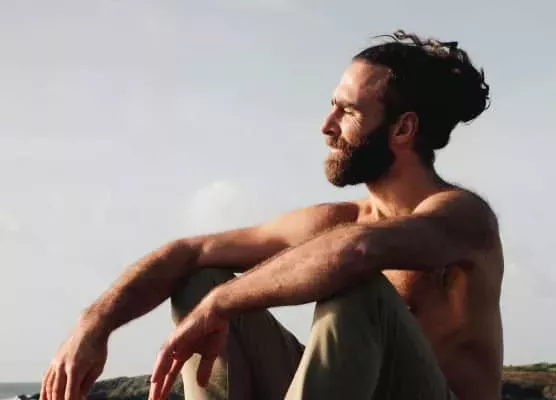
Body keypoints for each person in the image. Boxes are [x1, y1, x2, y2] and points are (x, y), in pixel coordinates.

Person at [41, 30, 504, 400]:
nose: (326, 127)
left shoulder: (463, 217)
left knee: (354, 282)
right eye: (331, 107)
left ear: (402, 128)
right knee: (200, 277)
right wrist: (92, 325)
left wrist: (220, 305)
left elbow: (358, 250)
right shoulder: (338, 220)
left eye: (347, 112)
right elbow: (189, 251)